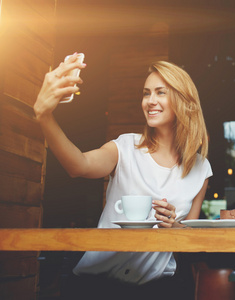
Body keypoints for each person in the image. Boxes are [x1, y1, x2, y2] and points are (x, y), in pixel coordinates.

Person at [34, 54, 212, 299]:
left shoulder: (201, 169)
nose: (150, 101)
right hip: (95, 288)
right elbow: (79, 165)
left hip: (158, 290)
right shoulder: (125, 147)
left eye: (161, 92)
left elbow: (189, 243)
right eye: (146, 92)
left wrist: (175, 226)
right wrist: (44, 116)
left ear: (184, 100)